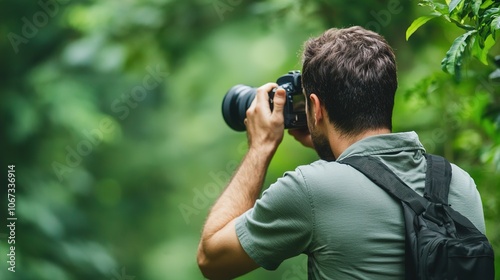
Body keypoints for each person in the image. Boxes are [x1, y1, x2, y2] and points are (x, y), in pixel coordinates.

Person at [196, 26, 487, 279]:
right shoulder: (459, 184)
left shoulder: (310, 190)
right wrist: (331, 147)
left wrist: (259, 148)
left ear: (317, 107)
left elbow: (212, 260)